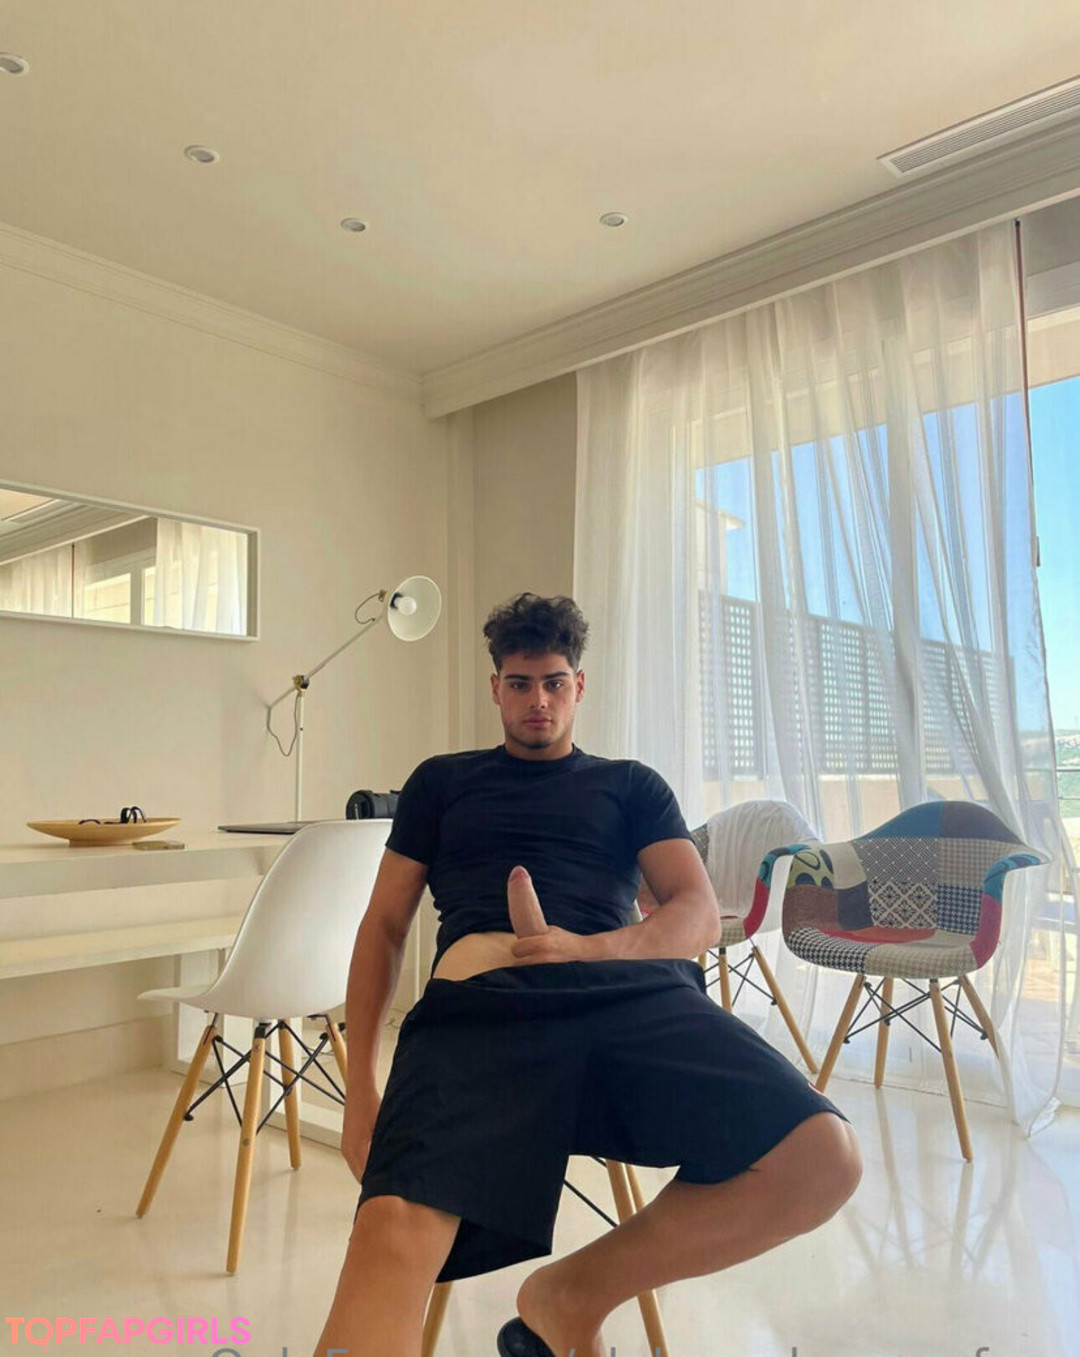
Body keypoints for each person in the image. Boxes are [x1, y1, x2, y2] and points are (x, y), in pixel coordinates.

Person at [314, 594, 861, 1357]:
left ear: (579, 686)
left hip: (626, 997)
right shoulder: (442, 783)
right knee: (394, 1227)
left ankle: (571, 1295)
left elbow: (697, 914)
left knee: (822, 1155)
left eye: (554, 682)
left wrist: (585, 948)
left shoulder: (632, 785)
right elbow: (382, 927)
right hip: (480, 1015)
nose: (537, 699)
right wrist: (359, 1089)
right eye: (519, 682)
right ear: (496, 687)